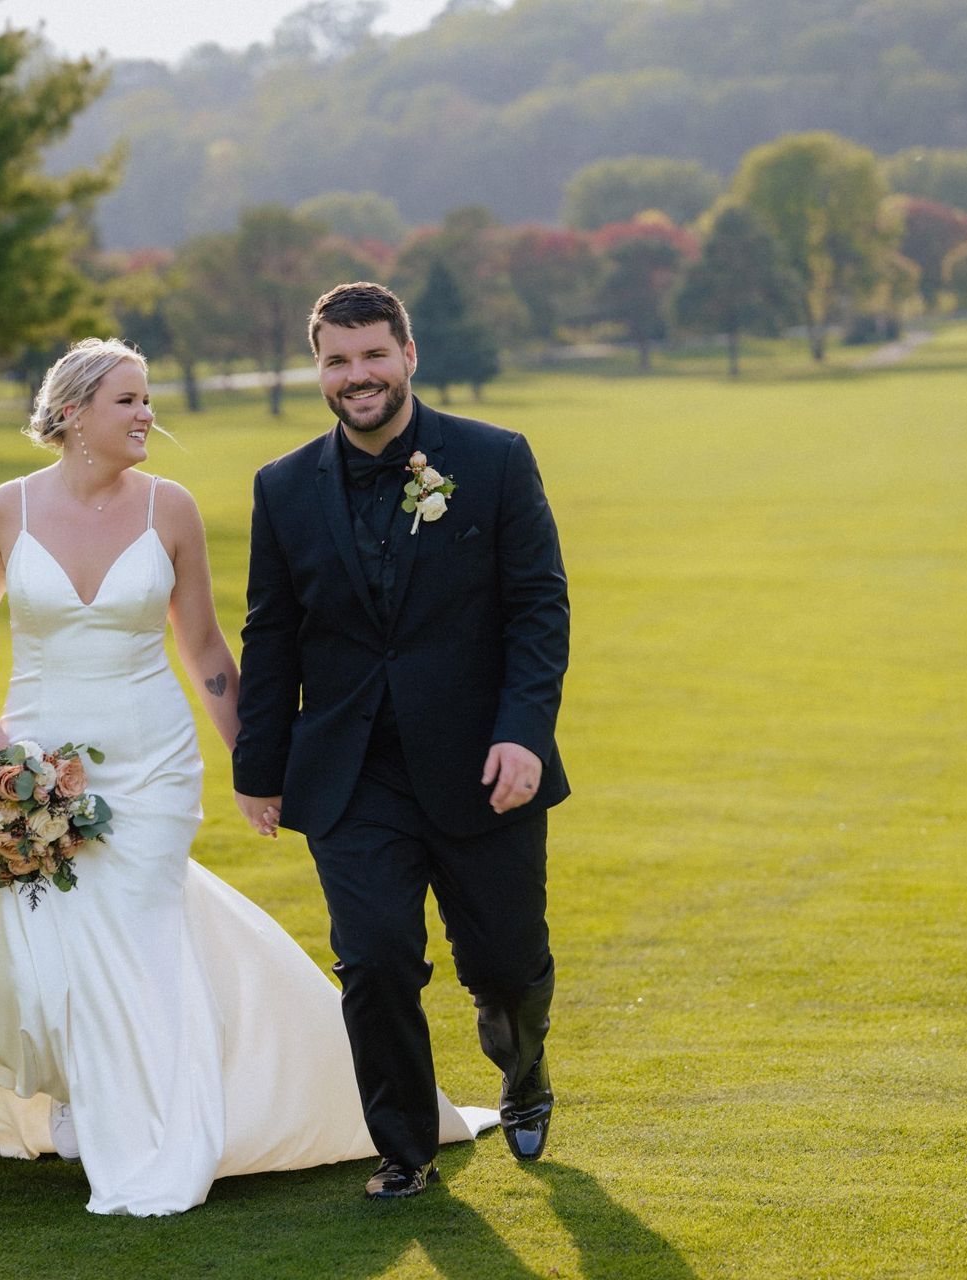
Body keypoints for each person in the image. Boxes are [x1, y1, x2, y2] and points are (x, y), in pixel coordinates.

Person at [0, 338, 494, 1217]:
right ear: (72, 417)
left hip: (152, 762)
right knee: (54, 946)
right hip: (40, 758)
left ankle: (161, 1132)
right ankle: (88, 1103)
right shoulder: (7, 509)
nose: (146, 417)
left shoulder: (171, 509)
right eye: (128, 401)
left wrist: (258, 765)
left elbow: (205, 647)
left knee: (134, 934)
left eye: (147, 400)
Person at [233, 282, 570, 1200]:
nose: (357, 376)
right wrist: (258, 769)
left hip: (482, 763)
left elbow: (539, 606)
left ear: (408, 355)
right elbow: (271, 635)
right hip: (350, 772)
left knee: (503, 962)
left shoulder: (495, 460)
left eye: (373, 355)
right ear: (319, 369)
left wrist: (524, 735)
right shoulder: (281, 487)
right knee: (375, 958)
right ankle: (406, 1150)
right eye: (337, 361)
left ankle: (524, 1068)